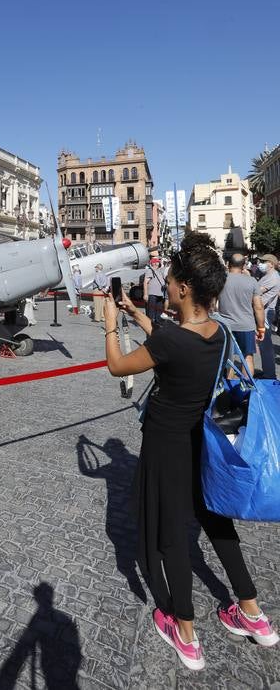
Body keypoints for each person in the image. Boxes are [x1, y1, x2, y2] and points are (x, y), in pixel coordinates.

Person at [103, 232, 278, 671]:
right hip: (208, 443)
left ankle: (185, 633)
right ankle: (253, 614)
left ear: (182, 288)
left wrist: (110, 322)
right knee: (216, 523)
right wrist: (140, 316)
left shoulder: (170, 342)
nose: (168, 284)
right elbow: (173, 344)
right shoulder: (217, 333)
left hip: (167, 446)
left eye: (172, 280)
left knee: (170, 535)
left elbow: (118, 366)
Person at [217, 253, 266, 375]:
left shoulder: (221, 279)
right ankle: (248, 388)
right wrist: (261, 328)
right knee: (247, 356)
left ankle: (229, 387)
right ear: (243, 266)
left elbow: (212, 304)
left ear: (228, 264)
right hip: (246, 325)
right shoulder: (252, 281)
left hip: (225, 325)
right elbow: (258, 307)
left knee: (228, 358)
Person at [254, 253, 280, 379]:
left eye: (264, 261)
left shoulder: (272, 277)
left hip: (265, 312)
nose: (261, 263)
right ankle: (267, 372)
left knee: (266, 344)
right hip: (262, 311)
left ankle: (269, 374)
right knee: (264, 344)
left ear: (271, 264)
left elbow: (256, 291)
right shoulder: (267, 275)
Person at [144, 256, 166, 325]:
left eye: (157, 262)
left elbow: (165, 269)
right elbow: (145, 282)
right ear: (152, 263)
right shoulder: (150, 271)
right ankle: (150, 324)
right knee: (151, 311)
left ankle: (157, 322)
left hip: (160, 294)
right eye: (155, 262)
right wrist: (145, 294)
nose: (157, 263)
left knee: (159, 310)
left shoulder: (159, 271)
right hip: (152, 294)